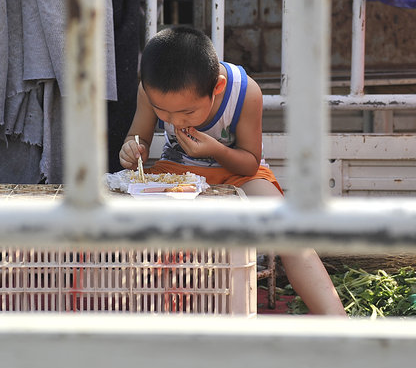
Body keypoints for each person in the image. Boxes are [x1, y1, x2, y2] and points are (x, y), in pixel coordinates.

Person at [119, 26, 346, 316]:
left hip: (239, 171)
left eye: (186, 113)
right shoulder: (151, 88)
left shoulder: (245, 91)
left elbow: (250, 161)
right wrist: (131, 149)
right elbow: (137, 138)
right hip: (176, 170)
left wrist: (214, 149)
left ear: (218, 87)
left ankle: (339, 323)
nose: (173, 120)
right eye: (162, 111)